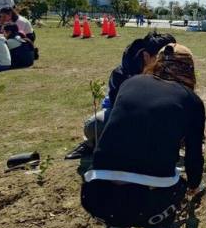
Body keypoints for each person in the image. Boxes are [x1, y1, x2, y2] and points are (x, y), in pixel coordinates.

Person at [81, 43, 205, 228]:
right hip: (152, 205)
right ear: (189, 69)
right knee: (171, 182)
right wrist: (194, 184)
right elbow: (194, 156)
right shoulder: (191, 101)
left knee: (124, 172)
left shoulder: (130, 83)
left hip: (96, 198)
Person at [65, 31, 177, 160]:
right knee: (94, 125)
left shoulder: (173, 71)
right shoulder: (122, 74)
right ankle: (92, 144)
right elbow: (121, 110)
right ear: (146, 56)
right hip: (125, 116)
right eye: (162, 58)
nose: (168, 62)